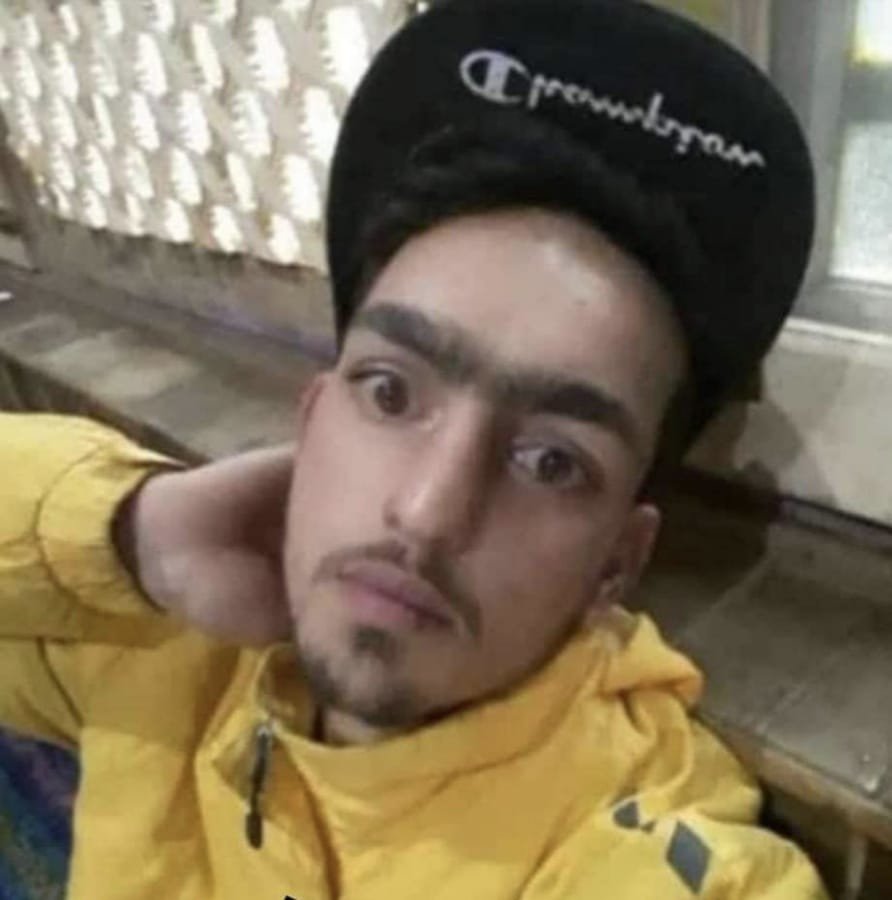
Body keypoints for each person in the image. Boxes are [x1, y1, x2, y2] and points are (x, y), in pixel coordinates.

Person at [0, 0, 827, 897]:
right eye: (391, 393)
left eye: (552, 462)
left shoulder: (652, 855)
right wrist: (133, 529)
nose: (429, 512)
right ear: (313, 420)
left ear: (615, 566)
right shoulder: (173, 643)